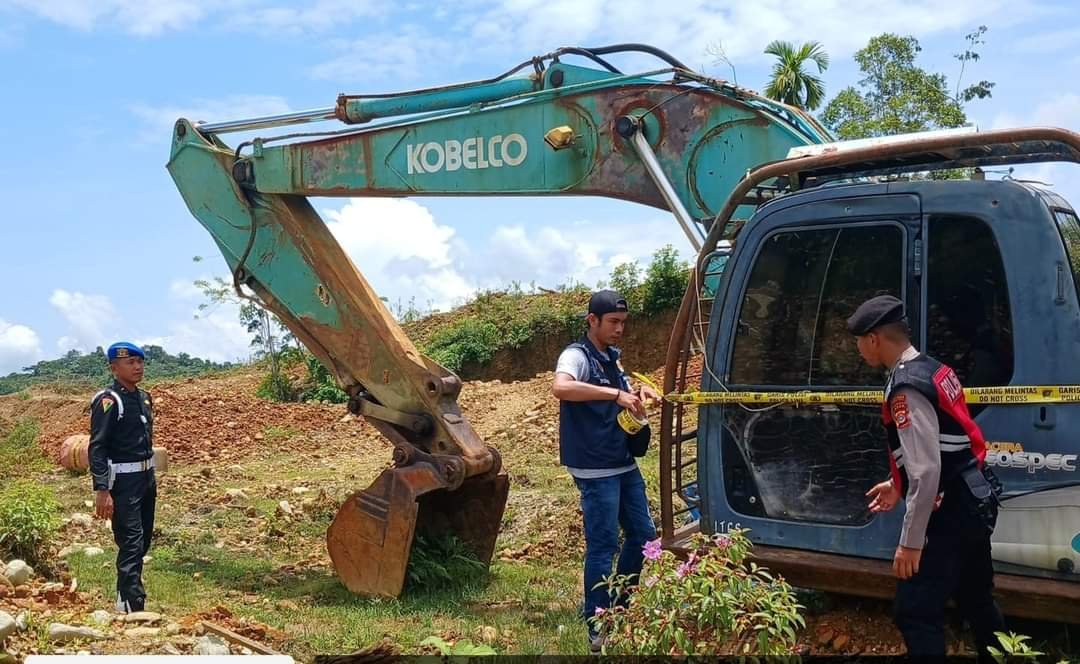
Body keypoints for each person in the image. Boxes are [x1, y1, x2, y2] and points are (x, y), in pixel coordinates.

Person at [848, 295, 1005, 661]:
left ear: (874, 339)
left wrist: (911, 542)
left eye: (859, 340)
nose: (858, 349)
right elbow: (943, 443)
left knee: (916, 612)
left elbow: (927, 469)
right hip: (973, 496)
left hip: (948, 509)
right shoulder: (933, 368)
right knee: (977, 598)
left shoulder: (905, 388)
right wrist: (896, 483)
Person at [551, 290, 661, 653]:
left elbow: (624, 391)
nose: (619, 330)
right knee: (603, 546)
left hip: (621, 459)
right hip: (594, 464)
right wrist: (613, 396)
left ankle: (620, 609)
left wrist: (638, 393)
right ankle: (597, 625)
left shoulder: (611, 359)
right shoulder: (576, 355)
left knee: (645, 536)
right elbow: (561, 387)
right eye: (613, 323)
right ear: (592, 321)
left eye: (623, 323)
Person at [89, 341, 158, 614]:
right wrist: (102, 489)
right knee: (130, 542)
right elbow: (97, 446)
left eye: (140, 361)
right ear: (114, 368)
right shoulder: (108, 401)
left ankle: (125, 596)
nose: (138, 367)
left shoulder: (144, 398)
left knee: (143, 541)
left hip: (146, 479)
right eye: (130, 362)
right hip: (124, 484)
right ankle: (133, 606)